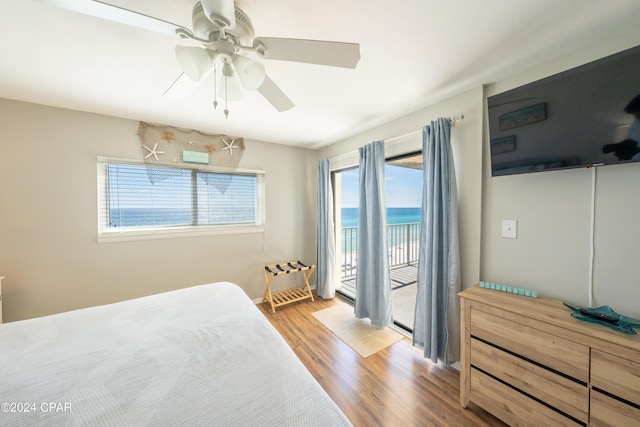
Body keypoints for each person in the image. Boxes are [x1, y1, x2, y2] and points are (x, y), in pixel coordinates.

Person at [602, 94, 640, 161]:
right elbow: (632, 138)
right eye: (635, 115)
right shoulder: (636, 123)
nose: (636, 118)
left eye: (638, 114)